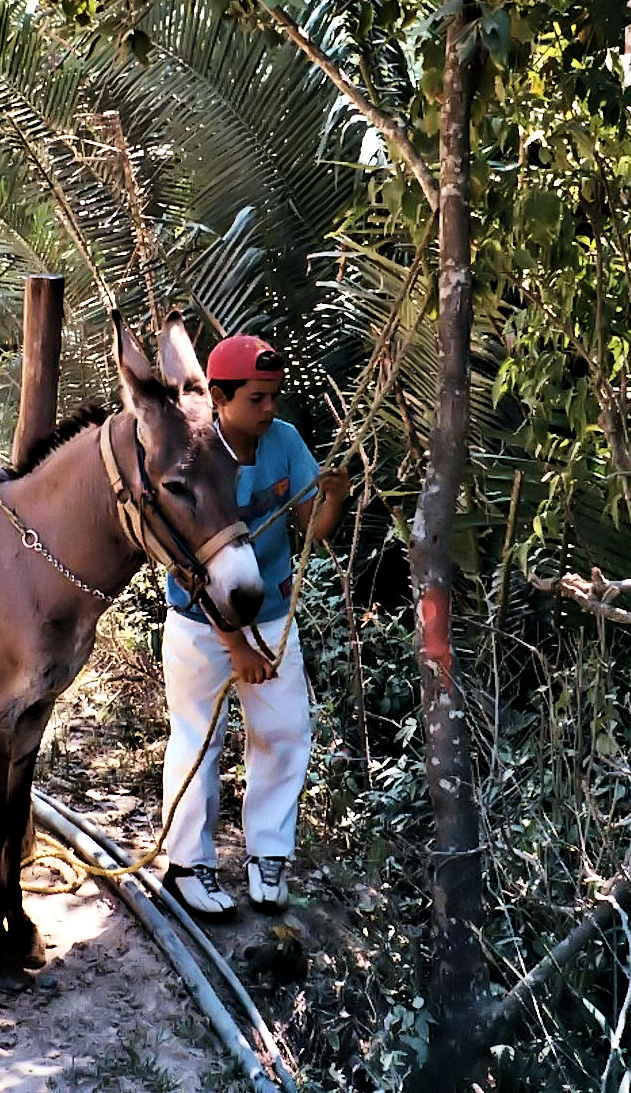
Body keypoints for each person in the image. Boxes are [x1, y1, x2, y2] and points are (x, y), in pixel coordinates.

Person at [161, 334, 350, 921]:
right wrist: (235, 644)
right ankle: (189, 864)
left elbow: (314, 529)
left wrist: (334, 498)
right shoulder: (191, 456)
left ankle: (267, 854)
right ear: (219, 397)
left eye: (274, 396)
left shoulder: (285, 442)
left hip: (271, 615)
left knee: (284, 732)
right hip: (201, 625)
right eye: (257, 399)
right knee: (198, 738)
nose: (270, 409)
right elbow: (185, 562)